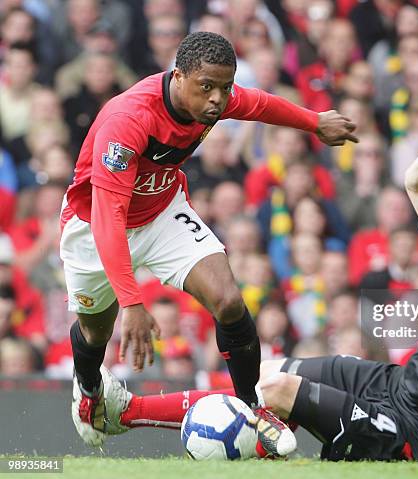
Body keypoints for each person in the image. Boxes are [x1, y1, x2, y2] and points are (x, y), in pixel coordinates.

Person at [93, 132, 418, 464]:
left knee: (278, 395)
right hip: (395, 386)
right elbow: (417, 184)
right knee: (269, 375)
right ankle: (126, 413)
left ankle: (134, 412)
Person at [60, 31, 357, 454]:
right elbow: (109, 215)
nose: (218, 99)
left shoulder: (214, 95)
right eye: (207, 88)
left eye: (224, 87)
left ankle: (254, 408)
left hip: (162, 211)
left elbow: (258, 104)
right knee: (95, 332)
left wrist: (314, 122)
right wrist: (131, 302)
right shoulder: (127, 120)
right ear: (178, 76)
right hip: (96, 226)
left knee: (229, 300)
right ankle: (89, 391)